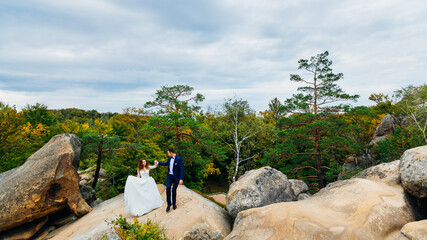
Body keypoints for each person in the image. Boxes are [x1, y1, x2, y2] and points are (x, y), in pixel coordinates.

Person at [155, 148, 184, 212]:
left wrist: (181, 179)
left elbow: (182, 169)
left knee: (174, 190)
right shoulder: (169, 158)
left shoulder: (179, 159)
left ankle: (174, 204)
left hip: (176, 178)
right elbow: (166, 164)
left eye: (168, 153)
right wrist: (158, 163)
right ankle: (169, 204)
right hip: (169, 177)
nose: (168, 154)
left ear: (171, 153)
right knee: (168, 188)